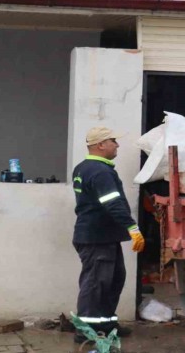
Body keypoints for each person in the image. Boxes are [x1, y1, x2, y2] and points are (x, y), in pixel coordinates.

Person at [71, 127, 145, 343]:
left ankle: (106, 325)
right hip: (96, 238)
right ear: (100, 145)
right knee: (96, 284)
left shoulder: (85, 168)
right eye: (113, 140)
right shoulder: (100, 172)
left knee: (113, 281)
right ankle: (86, 331)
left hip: (103, 237)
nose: (117, 144)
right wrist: (132, 227)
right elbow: (112, 203)